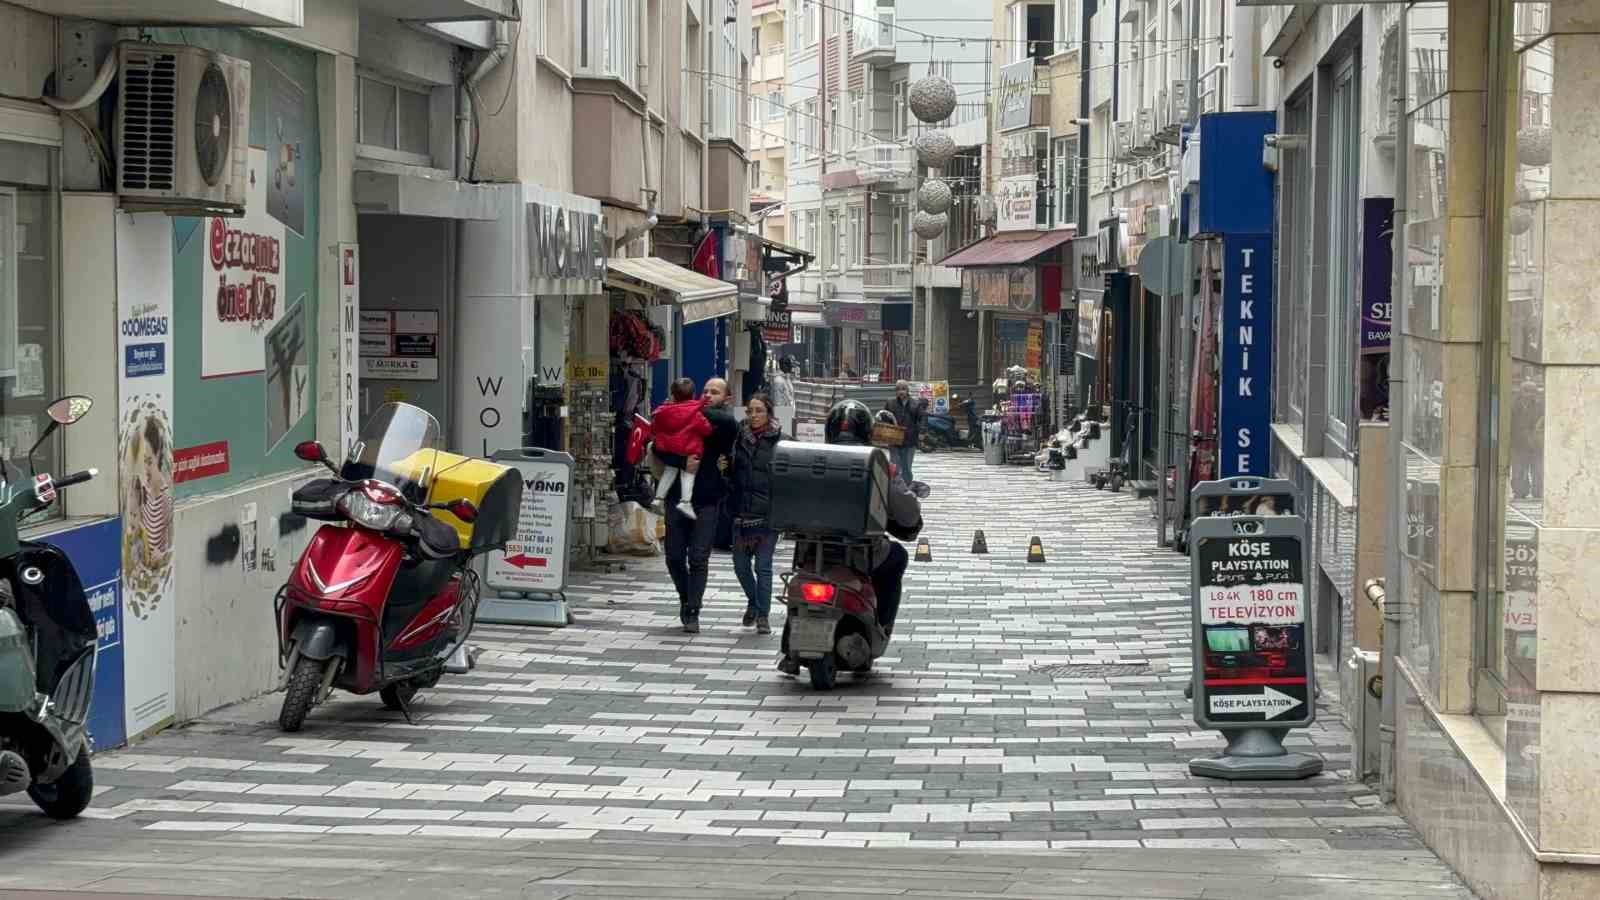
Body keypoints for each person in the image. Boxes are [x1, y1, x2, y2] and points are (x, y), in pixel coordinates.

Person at [777, 399, 922, 675]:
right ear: (867, 431)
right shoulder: (878, 464)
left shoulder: (809, 459)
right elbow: (907, 514)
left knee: (804, 578)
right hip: (861, 556)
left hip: (812, 552)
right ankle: (881, 624)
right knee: (897, 557)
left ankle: (788, 647)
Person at [655, 378, 738, 633]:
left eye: (715, 392)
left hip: (707, 499)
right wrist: (681, 461)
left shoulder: (721, 422)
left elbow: (730, 427)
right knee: (674, 557)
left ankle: (693, 609)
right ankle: (686, 596)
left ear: (727, 398)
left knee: (699, 557)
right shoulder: (680, 416)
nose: (708, 395)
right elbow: (659, 447)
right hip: (676, 496)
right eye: (705, 391)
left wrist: (690, 408)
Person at [730, 392, 783, 635]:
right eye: (750, 411)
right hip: (742, 512)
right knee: (740, 566)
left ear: (769, 413)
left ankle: (763, 615)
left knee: (763, 566)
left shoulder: (782, 441)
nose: (753, 415)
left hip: (768, 515)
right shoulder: (738, 438)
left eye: (759, 410)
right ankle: (754, 601)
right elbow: (731, 472)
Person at [648, 378, 714, 521]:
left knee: (669, 472)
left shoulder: (663, 412)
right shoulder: (695, 414)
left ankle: (658, 498)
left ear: (672, 395)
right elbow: (707, 430)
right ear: (693, 394)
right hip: (689, 449)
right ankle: (685, 502)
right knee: (688, 475)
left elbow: (653, 429)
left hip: (670, 449)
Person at [882, 380, 927, 484]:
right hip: (894, 440)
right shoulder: (890, 402)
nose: (901, 391)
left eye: (903, 389)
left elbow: (923, 417)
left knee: (907, 467)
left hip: (909, 440)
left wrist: (922, 431)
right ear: (895, 391)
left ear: (907, 390)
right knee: (895, 466)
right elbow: (884, 417)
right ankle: (895, 488)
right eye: (898, 389)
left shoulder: (915, 403)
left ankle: (907, 487)